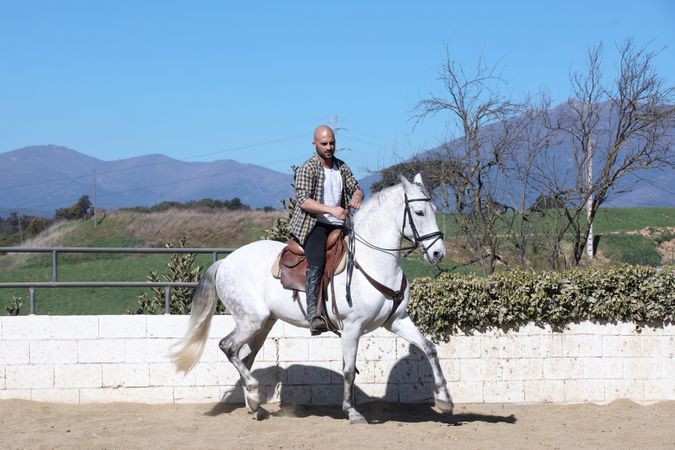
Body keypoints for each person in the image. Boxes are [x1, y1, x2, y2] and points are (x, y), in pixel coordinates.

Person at [289, 125, 364, 335]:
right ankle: (314, 315)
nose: (329, 147)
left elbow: (355, 187)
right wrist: (331, 210)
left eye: (332, 143)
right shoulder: (308, 168)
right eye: (324, 143)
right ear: (315, 144)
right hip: (314, 225)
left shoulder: (342, 167)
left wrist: (357, 195)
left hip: (339, 224)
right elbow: (303, 200)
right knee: (317, 262)